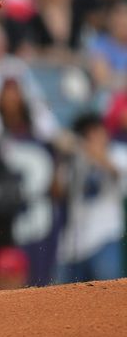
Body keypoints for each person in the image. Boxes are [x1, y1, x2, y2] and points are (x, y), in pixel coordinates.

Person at [55, 113, 125, 283]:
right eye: (87, 133)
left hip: (105, 238)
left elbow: (115, 170)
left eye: (96, 131)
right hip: (74, 243)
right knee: (67, 297)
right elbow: (58, 192)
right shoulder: (75, 159)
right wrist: (60, 158)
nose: (93, 137)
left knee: (108, 294)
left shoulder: (119, 152)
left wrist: (81, 146)